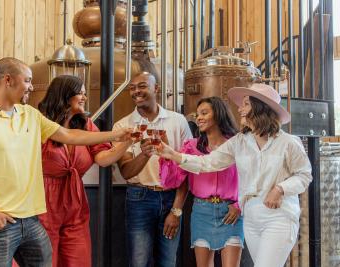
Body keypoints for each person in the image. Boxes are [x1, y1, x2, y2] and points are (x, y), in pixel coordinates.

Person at [0, 57, 131, 267]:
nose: (32, 87)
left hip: (31, 220)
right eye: (27, 80)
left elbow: (70, 135)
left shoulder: (30, 115)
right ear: (8, 80)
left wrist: (117, 135)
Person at [158, 83, 312, 267]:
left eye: (246, 104)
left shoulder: (288, 142)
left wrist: (280, 188)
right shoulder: (240, 141)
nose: (240, 109)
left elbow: (304, 175)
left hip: (279, 216)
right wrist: (173, 155)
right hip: (251, 218)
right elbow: (208, 162)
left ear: (260, 107)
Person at [37, 75, 135, 267]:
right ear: (64, 95)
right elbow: (67, 137)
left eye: (84, 93)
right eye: (79, 93)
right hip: (43, 200)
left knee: (78, 258)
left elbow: (103, 159)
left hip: (75, 202)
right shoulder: (40, 122)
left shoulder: (86, 124)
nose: (84, 97)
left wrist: (127, 142)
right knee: (46, 260)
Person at [113, 61, 193, 266]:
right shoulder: (123, 126)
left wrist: (176, 211)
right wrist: (145, 154)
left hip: (171, 197)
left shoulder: (178, 121)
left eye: (142, 86)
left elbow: (188, 168)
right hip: (139, 197)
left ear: (156, 88)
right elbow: (126, 172)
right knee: (139, 262)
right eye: (132, 88)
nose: (136, 91)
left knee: (167, 262)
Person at [159, 97, 243, 267]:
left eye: (204, 113)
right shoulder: (191, 147)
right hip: (201, 211)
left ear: (218, 115)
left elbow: (251, 178)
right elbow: (174, 180)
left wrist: (239, 205)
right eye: (197, 115)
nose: (199, 118)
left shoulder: (237, 144)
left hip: (231, 212)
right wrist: (166, 156)